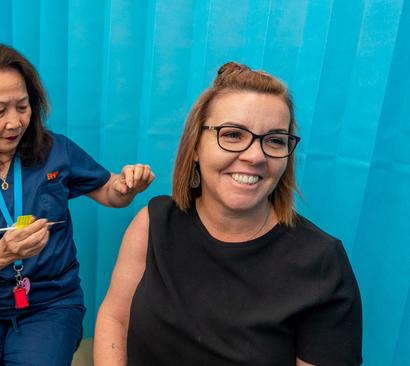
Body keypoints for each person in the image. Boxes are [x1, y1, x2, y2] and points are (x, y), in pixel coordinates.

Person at [94, 62, 362, 366]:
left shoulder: (323, 263)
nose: (255, 156)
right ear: (195, 146)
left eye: (275, 140)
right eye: (233, 134)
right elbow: (114, 319)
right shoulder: (153, 222)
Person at [0, 41, 154, 366]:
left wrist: (127, 186)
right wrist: (3, 253)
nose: (15, 122)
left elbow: (110, 192)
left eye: (22, 107)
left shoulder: (55, 150)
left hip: (48, 303)